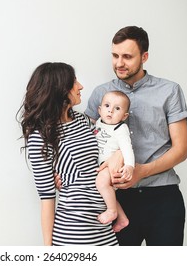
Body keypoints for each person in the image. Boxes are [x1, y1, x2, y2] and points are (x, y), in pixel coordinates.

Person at [85, 26, 187, 246]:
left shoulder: (169, 91)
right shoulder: (100, 94)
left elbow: (181, 150)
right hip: (115, 200)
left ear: (144, 57)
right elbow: (83, 142)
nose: (119, 63)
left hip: (162, 197)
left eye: (127, 56)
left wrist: (141, 171)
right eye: (115, 56)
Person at [18, 62, 118, 246]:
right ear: (59, 89)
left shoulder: (83, 121)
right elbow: (47, 198)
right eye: (74, 82)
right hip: (74, 232)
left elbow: (109, 147)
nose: (80, 86)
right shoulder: (40, 137)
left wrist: (117, 157)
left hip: (104, 228)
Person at [94, 90, 134, 233]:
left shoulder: (120, 129)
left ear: (124, 116)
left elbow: (127, 149)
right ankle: (123, 219)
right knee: (106, 190)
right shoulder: (98, 122)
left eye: (117, 108)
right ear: (99, 110)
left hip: (112, 167)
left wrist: (129, 166)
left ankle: (112, 211)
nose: (110, 110)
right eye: (107, 106)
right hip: (101, 166)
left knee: (101, 183)